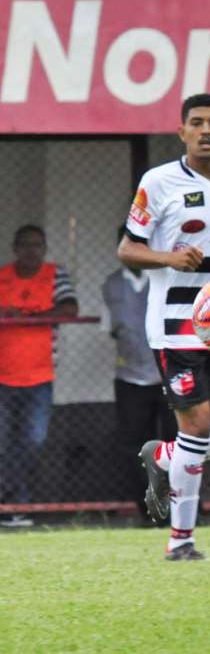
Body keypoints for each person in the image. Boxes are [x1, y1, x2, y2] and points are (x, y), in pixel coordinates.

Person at [117, 92, 210, 560]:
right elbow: (127, 249)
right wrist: (169, 257)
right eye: (196, 122)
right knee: (196, 427)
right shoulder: (157, 182)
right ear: (181, 132)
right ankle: (182, 541)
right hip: (175, 326)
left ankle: (165, 457)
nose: (205, 130)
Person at [0, 224, 78, 527]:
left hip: (39, 376)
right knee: (3, 442)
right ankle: (16, 504)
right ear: (15, 248)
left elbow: (70, 308)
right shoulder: (3, 277)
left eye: (37, 245)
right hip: (3, 375)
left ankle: (8, 499)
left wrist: (27, 317)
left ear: (44, 249)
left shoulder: (54, 275)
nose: (31, 250)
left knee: (33, 440)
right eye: (25, 245)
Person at [101, 226, 176, 522]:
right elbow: (111, 329)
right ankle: (148, 511)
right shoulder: (110, 285)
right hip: (131, 378)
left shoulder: (166, 279)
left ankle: (183, 509)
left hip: (169, 377)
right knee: (135, 447)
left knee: (176, 444)